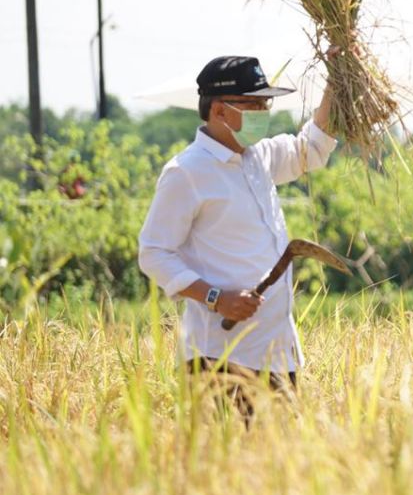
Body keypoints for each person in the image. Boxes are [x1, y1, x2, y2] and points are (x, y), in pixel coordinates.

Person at [138, 54, 338, 406]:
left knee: (281, 459)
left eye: (266, 103)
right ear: (218, 111)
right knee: (227, 458)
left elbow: (311, 149)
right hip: (220, 358)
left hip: (276, 352)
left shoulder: (258, 156)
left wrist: (336, 80)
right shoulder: (186, 173)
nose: (263, 112)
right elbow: (154, 252)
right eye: (252, 104)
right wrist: (216, 298)